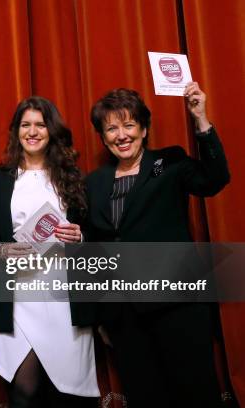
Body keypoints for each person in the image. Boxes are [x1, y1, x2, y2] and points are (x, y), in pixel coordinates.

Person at [84, 83, 229, 407]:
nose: (121, 135)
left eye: (128, 125)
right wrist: (101, 315)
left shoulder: (170, 162)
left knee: (197, 393)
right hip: (124, 316)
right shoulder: (94, 182)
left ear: (144, 128)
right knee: (146, 396)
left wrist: (200, 118)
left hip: (178, 306)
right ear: (103, 136)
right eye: (111, 128)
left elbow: (215, 179)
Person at [0, 96, 100, 407]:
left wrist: (80, 236)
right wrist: (3, 250)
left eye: (40, 125)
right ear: (16, 131)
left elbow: (95, 238)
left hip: (62, 296)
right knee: (24, 390)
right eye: (25, 124)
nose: (32, 131)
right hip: (16, 295)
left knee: (67, 395)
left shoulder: (72, 179)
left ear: (51, 131)